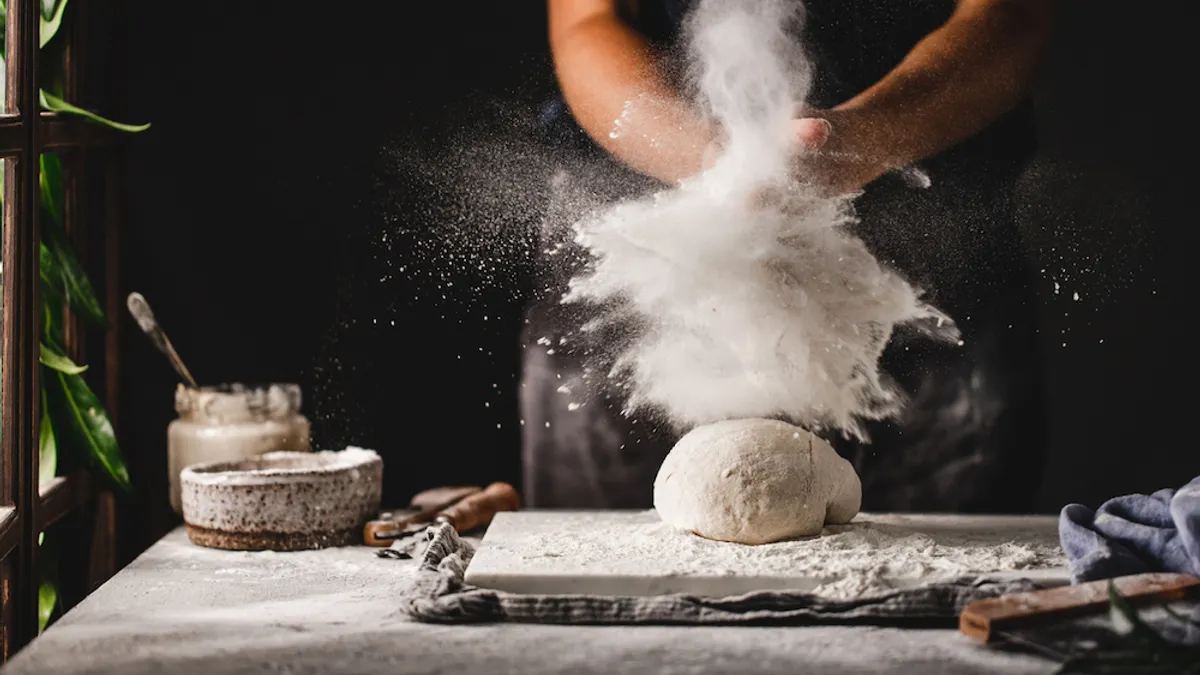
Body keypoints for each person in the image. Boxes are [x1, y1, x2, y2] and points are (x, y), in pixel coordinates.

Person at [521, 0, 1053, 512]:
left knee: (943, 579)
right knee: (608, 579)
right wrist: (718, 163)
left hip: (933, 258)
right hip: (644, 257)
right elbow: (589, 19)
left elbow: (1005, 14)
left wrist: (864, 137)